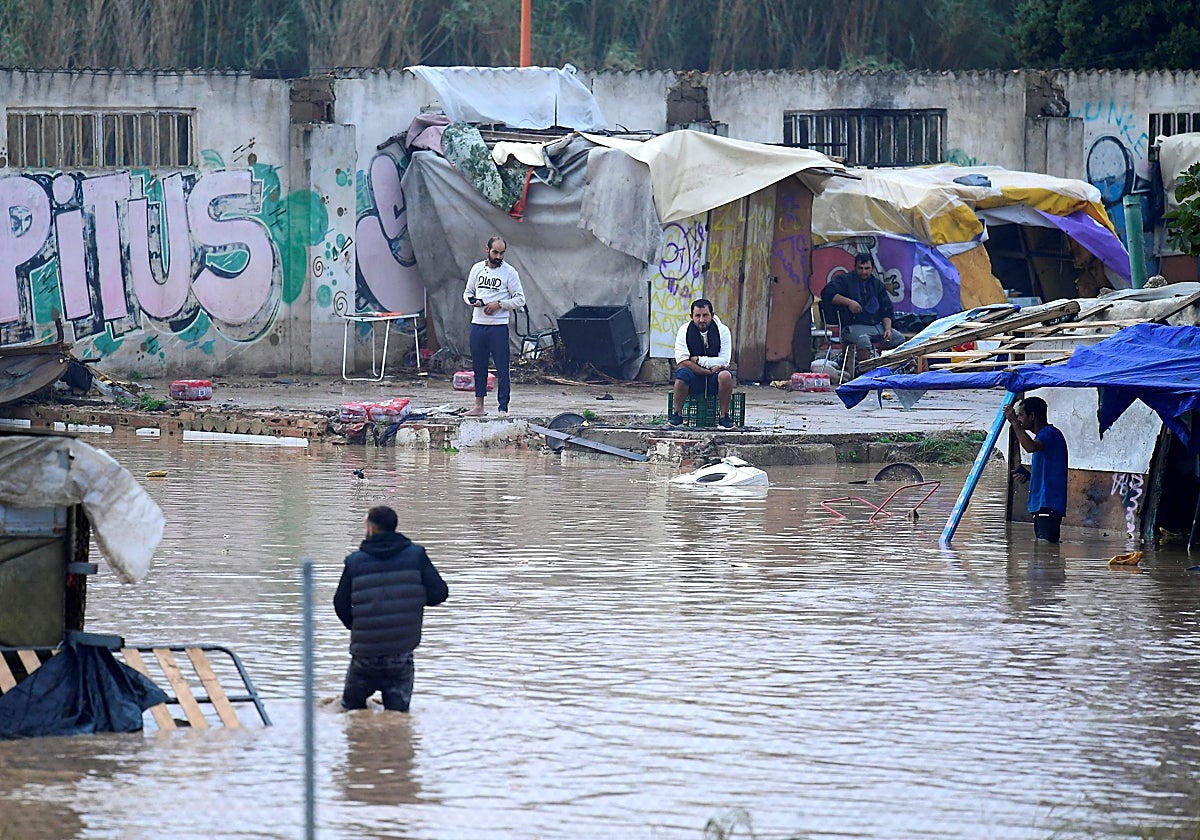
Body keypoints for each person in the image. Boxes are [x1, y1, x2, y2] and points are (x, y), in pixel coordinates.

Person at [334, 505, 448, 712]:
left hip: (364, 654)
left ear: (370, 528)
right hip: (401, 654)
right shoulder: (416, 556)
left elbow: (340, 604)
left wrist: (359, 627)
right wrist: (411, 601)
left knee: (350, 714)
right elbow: (439, 593)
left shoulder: (354, 562)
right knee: (398, 717)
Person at [463, 236, 525, 417]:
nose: (498, 256)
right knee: (479, 367)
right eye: (495, 252)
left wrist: (499, 304)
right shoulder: (477, 269)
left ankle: (502, 407)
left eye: (502, 253)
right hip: (478, 324)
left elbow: (520, 299)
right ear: (487, 250)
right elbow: (467, 293)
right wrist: (473, 301)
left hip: (498, 326)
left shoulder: (510, 272)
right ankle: (479, 406)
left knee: (502, 367)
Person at [820, 253, 905, 369]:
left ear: (872, 268)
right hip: (852, 327)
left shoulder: (877, 285)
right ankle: (864, 373)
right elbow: (827, 293)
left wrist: (888, 329)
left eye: (867, 268)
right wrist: (849, 302)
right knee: (863, 340)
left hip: (876, 326)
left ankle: (887, 369)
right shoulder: (845, 281)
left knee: (899, 338)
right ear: (855, 267)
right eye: (860, 268)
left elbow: (886, 310)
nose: (864, 272)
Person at [1003, 396, 1069, 543]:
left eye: (1020, 415)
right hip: (1043, 504)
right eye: (1017, 416)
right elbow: (1048, 472)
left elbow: (1030, 447)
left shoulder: (1049, 434)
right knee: (1043, 551)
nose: (1018, 418)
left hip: (1048, 504)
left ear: (1032, 416)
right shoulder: (1045, 435)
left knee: (1045, 550)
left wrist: (1014, 422)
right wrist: (1028, 476)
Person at [668, 298, 735, 429]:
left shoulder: (723, 331)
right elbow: (682, 361)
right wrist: (709, 370)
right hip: (695, 377)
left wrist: (698, 360)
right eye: (697, 316)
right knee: (681, 375)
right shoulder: (684, 331)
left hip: (715, 378)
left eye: (705, 315)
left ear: (712, 315)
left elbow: (724, 361)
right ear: (691, 316)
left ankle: (724, 416)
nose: (702, 320)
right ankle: (677, 415)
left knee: (726, 376)